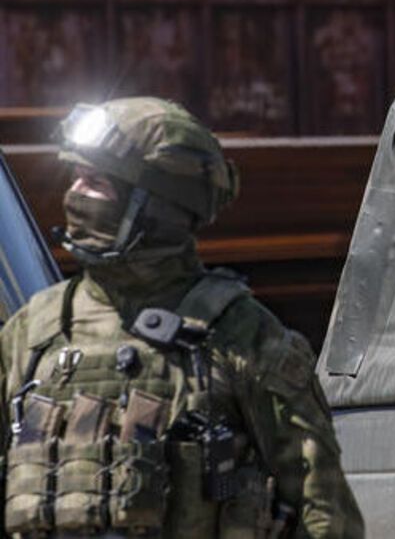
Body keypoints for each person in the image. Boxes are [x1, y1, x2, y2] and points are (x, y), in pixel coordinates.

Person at [0, 97, 364, 538]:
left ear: (157, 206)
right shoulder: (33, 332)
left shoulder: (241, 336)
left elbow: (323, 511)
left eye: (95, 182)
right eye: (75, 177)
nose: (75, 194)